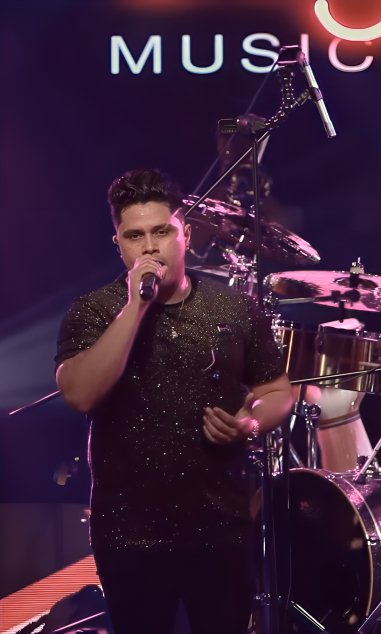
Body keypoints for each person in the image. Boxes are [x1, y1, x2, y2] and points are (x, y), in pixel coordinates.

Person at [55, 168, 293, 634]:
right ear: (119, 245)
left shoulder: (233, 306)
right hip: (129, 534)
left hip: (220, 526)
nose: (149, 247)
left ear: (185, 234)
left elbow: (276, 391)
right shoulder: (94, 310)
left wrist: (249, 423)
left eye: (162, 231)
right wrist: (136, 306)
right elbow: (80, 394)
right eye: (135, 236)